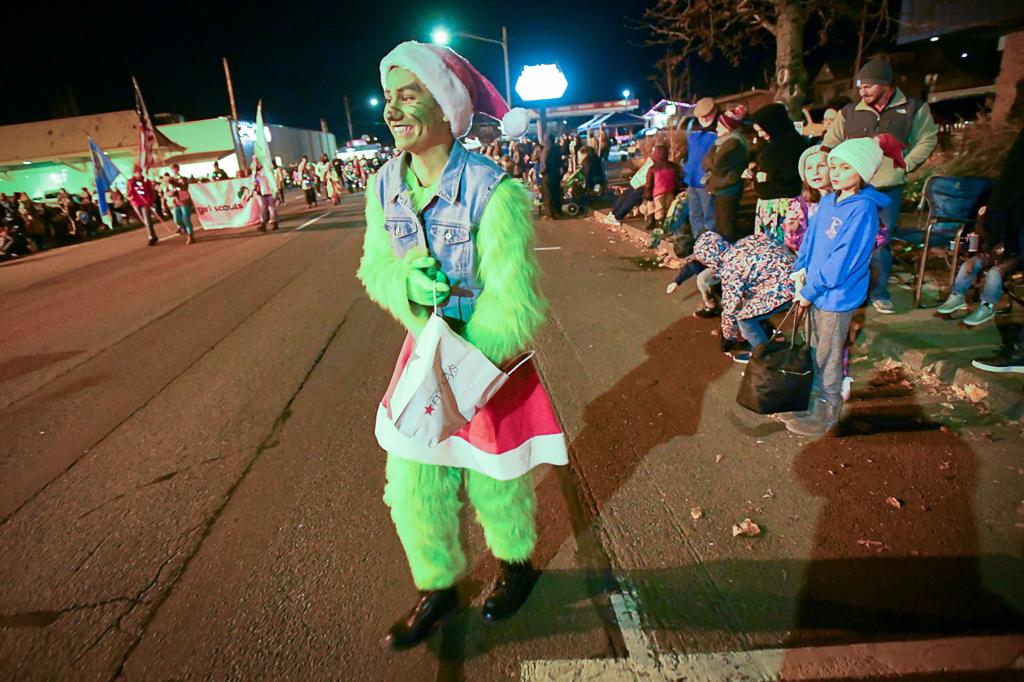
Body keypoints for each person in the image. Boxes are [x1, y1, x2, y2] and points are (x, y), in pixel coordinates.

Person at [358, 40, 566, 651]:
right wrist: (405, 283)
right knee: (413, 479)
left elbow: (515, 300)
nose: (394, 110)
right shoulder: (382, 186)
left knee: (495, 478)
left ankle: (515, 566)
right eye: (389, 97)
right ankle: (439, 586)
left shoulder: (493, 192)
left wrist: (469, 366)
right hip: (423, 355)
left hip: (484, 363)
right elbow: (373, 267)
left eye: (409, 94)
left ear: (445, 106)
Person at [785, 138, 890, 437]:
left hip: (836, 296)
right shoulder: (830, 201)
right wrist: (800, 270)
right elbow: (811, 241)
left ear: (863, 172)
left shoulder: (862, 211)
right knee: (814, 347)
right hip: (816, 291)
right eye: (834, 166)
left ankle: (826, 410)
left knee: (828, 355)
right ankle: (811, 402)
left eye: (846, 167)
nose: (836, 173)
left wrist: (811, 290)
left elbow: (843, 260)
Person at [822, 57, 939, 314]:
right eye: (860, 87)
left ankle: (879, 292)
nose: (862, 92)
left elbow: (927, 138)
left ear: (886, 84)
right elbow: (829, 143)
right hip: (853, 190)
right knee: (846, 240)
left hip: (886, 189)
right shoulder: (850, 112)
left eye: (868, 86)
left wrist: (906, 164)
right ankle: (850, 291)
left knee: (880, 243)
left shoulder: (912, 109)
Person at [690, 230, 796, 362]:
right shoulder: (748, 240)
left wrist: (728, 337)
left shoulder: (730, 268)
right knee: (750, 305)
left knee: (744, 319)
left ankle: (765, 357)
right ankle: (765, 343)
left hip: (785, 289)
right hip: (799, 274)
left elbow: (731, 309)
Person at [747, 103, 809, 246]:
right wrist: (754, 172)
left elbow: (794, 173)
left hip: (783, 206)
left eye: (762, 129)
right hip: (768, 206)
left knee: (784, 244)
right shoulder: (769, 143)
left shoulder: (793, 144)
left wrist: (771, 177)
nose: (760, 134)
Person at [702, 105, 748, 243]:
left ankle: (729, 254)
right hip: (720, 188)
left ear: (728, 127)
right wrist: (711, 162)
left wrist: (711, 162)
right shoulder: (720, 142)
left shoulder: (733, 143)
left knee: (727, 227)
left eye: (719, 126)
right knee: (721, 226)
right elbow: (705, 162)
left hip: (728, 189)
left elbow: (717, 165)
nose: (716, 129)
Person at [684, 97, 719, 238]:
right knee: (695, 214)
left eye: (707, 115)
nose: (704, 118)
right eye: (701, 116)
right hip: (692, 180)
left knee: (709, 216)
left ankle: (710, 245)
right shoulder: (694, 132)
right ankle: (698, 243)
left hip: (706, 181)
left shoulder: (716, 133)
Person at [603, 153, 653, 225]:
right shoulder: (655, 165)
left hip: (636, 181)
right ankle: (617, 216)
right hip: (642, 184)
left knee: (626, 196)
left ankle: (613, 213)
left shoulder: (650, 161)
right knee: (630, 199)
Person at [642, 143, 681, 230]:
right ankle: (668, 226)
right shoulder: (673, 166)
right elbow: (678, 179)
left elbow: (649, 184)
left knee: (659, 210)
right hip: (670, 191)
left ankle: (659, 226)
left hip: (658, 193)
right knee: (668, 209)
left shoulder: (653, 168)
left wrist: (648, 194)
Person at [126, 164, 159, 246]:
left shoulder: (145, 181)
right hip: (136, 203)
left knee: (147, 219)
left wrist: (151, 201)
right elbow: (128, 194)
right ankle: (153, 234)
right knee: (144, 220)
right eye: (136, 173)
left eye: (139, 172)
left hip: (145, 202)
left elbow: (151, 192)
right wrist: (131, 187)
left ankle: (151, 237)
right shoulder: (130, 182)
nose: (138, 174)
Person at [169, 164, 196, 245]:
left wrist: (175, 183)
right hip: (176, 202)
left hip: (184, 200)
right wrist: (171, 193)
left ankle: (190, 235)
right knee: (177, 220)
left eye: (175, 168)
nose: (174, 170)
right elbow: (167, 191)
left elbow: (184, 187)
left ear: (178, 169)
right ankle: (184, 228)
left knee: (186, 219)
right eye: (173, 169)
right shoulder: (170, 180)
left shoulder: (183, 178)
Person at [251, 158, 280, 232]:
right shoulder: (255, 172)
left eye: (257, 162)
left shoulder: (265, 170)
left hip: (269, 191)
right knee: (263, 209)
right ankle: (263, 224)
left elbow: (271, 179)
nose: (256, 164)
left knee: (272, 208)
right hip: (261, 192)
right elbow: (253, 182)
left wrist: (276, 190)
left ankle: (274, 223)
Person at [541, 132, 564, 219]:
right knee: (556, 193)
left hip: (548, 174)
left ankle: (550, 213)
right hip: (556, 173)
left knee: (548, 194)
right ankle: (558, 211)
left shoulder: (546, 149)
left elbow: (544, 163)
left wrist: (542, 172)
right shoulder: (557, 148)